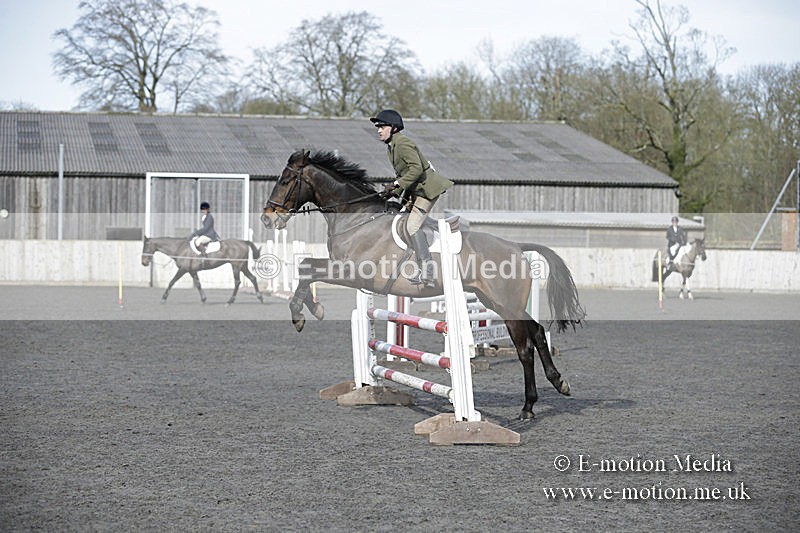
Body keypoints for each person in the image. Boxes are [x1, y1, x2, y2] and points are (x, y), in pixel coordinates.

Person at [370, 109, 454, 287]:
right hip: (415, 191)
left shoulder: (403, 143)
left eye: (382, 126)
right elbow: (406, 174)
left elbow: (415, 170)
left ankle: (428, 272)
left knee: (412, 225)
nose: (378, 130)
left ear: (393, 128)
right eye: (378, 127)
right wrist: (394, 191)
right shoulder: (391, 148)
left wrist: (397, 185)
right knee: (400, 219)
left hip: (426, 190)